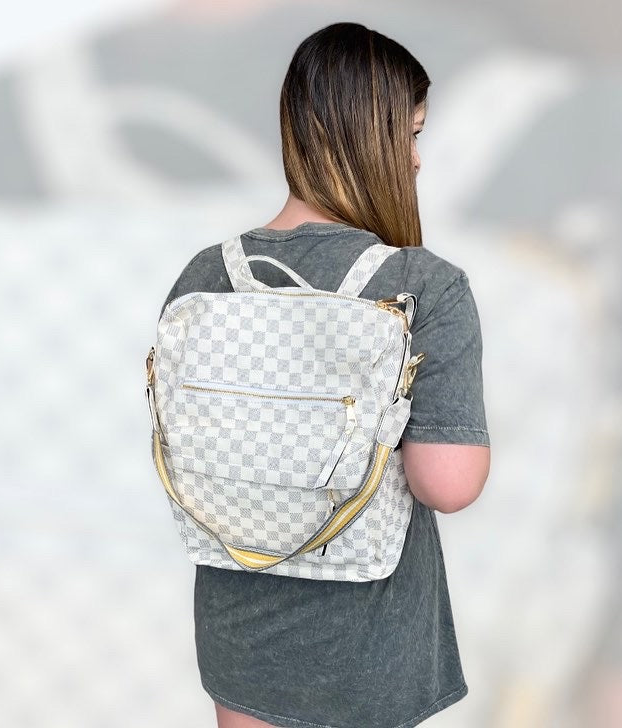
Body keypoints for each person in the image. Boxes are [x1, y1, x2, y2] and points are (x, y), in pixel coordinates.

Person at [160, 22, 491, 728]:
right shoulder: (422, 286)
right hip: (367, 649)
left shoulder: (205, 276)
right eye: (410, 135)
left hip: (238, 634)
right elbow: (449, 482)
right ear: (369, 137)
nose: (416, 160)